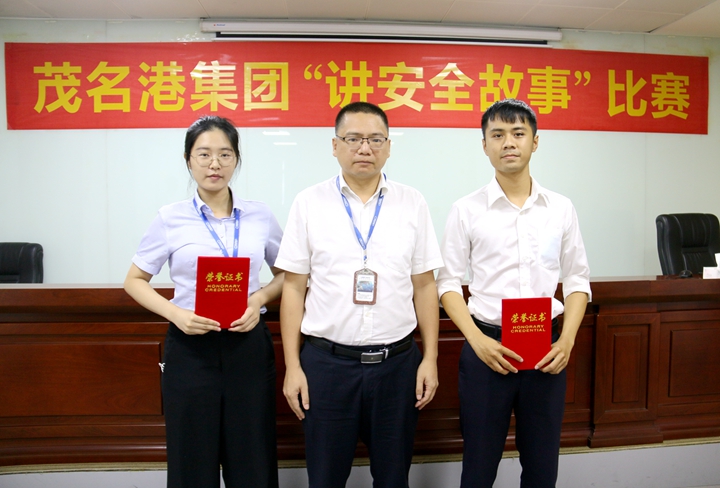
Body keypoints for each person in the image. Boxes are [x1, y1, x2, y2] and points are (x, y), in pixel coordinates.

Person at [276, 101, 443, 488]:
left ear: (389, 146)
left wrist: (430, 359)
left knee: (393, 477)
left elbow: (424, 285)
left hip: (397, 366)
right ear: (335, 146)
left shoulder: (412, 202)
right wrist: (293, 367)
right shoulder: (308, 203)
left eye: (375, 139)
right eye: (353, 139)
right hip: (326, 368)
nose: (364, 148)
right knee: (325, 478)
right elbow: (294, 288)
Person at [436, 99, 591, 488]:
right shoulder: (466, 210)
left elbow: (577, 280)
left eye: (519, 133)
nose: (509, 142)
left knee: (541, 465)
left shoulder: (560, 208)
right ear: (484, 145)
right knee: (479, 464)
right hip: (486, 349)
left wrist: (567, 341)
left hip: (546, 351)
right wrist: (477, 341)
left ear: (535, 142)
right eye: (498, 135)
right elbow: (447, 283)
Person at [123, 115, 283, 488]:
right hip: (191, 348)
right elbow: (134, 281)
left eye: (225, 154)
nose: (215, 164)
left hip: (247, 346)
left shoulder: (260, 215)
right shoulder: (170, 218)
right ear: (188, 160)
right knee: (191, 459)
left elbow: (287, 275)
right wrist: (176, 314)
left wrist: (258, 299)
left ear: (236, 160)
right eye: (204, 154)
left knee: (253, 456)